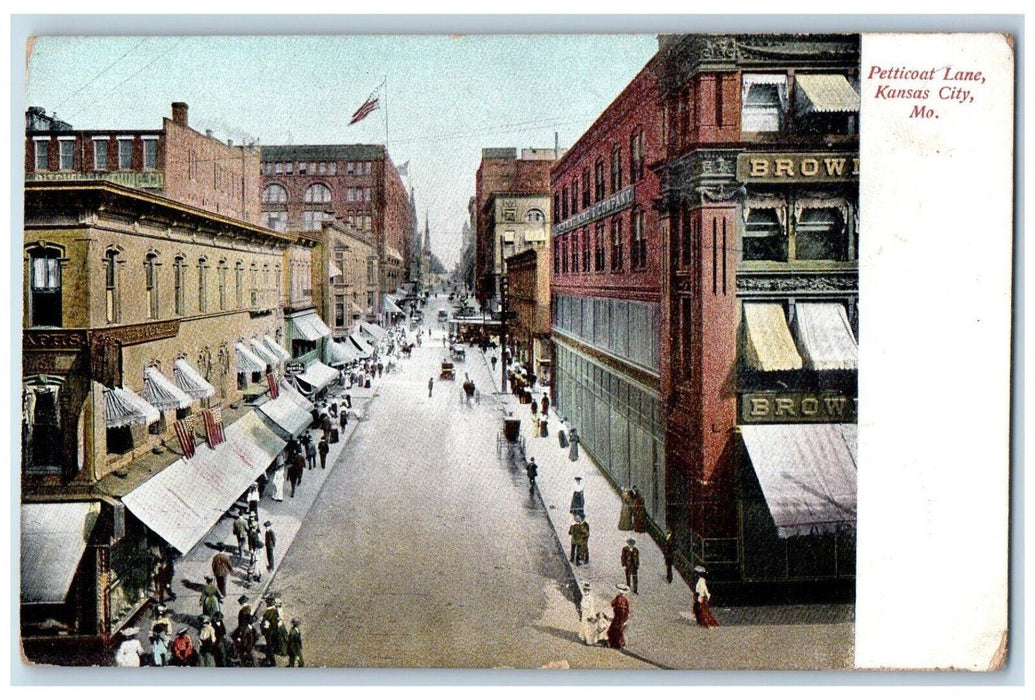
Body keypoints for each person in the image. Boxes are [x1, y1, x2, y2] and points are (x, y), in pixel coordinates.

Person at [607, 584, 631, 649]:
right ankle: (619, 644)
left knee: (615, 630)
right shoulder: (624, 599)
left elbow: (612, 604)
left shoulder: (619, 598)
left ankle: (617, 644)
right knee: (617, 630)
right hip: (620, 617)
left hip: (619, 617)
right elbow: (627, 609)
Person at [260, 597, 283, 666]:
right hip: (275, 631)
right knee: (270, 646)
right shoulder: (275, 611)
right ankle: (267, 658)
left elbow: (265, 625)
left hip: (269, 632)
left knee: (269, 647)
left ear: (267, 604)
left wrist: (262, 625)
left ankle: (272, 662)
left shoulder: (267, 613)